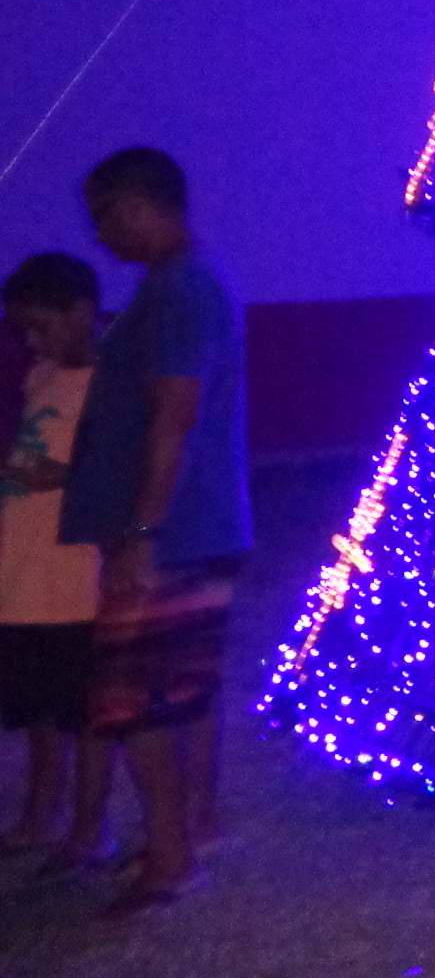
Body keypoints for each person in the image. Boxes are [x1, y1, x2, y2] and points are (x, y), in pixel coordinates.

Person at [58, 148, 252, 913]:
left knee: (134, 699)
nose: (100, 235)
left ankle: (172, 858)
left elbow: (174, 414)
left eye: (103, 215)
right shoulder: (186, 281)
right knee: (177, 690)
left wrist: (141, 528)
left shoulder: (178, 289)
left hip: (170, 532)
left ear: (136, 206)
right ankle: (185, 835)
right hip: (193, 524)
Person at [0, 253, 113, 867]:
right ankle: (40, 815)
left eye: (41, 326)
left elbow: (112, 470)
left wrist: (56, 476)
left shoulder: (107, 382)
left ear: (81, 314)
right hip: (21, 572)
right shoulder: (42, 376)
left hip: (70, 577)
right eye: (22, 329)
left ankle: (89, 825)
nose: (31, 341)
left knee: (81, 709)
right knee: (39, 709)